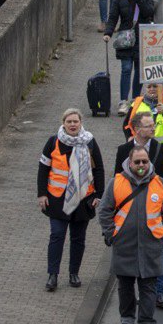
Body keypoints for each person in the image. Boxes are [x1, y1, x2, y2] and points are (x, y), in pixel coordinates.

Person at [99, 145, 163, 324]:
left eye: (145, 161)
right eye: (137, 162)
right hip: (124, 245)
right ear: (129, 163)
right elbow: (104, 210)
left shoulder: (161, 183)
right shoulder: (116, 182)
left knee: (148, 287)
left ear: (149, 162)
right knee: (125, 286)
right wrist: (111, 234)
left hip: (151, 245)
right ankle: (127, 321)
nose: (141, 165)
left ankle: (147, 323)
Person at [38, 109, 104, 292]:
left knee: (78, 238)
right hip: (57, 200)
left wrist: (99, 194)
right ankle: (53, 275)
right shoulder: (53, 142)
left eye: (76, 121)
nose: (73, 124)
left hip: (83, 200)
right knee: (57, 235)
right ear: (63, 123)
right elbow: (43, 169)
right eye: (69, 122)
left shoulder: (90, 141)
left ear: (81, 123)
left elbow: (98, 169)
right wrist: (41, 194)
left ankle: (74, 273)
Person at [105, 0, 156, 114]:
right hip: (126, 39)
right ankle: (123, 101)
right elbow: (113, 16)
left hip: (142, 38)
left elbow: (149, 13)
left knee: (139, 71)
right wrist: (108, 32)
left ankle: (135, 100)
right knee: (126, 69)